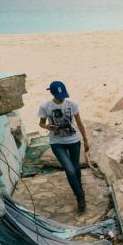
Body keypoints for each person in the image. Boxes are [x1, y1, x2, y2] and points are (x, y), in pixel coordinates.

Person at [38, 81, 90, 213]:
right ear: (53, 93)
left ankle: (78, 189)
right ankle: (80, 196)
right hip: (57, 142)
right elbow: (41, 124)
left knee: (76, 168)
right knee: (70, 170)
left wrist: (85, 140)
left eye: (63, 95)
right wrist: (48, 127)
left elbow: (79, 123)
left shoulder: (72, 104)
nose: (62, 98)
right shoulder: (45, 106)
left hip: (73, 140)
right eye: (59, 96)